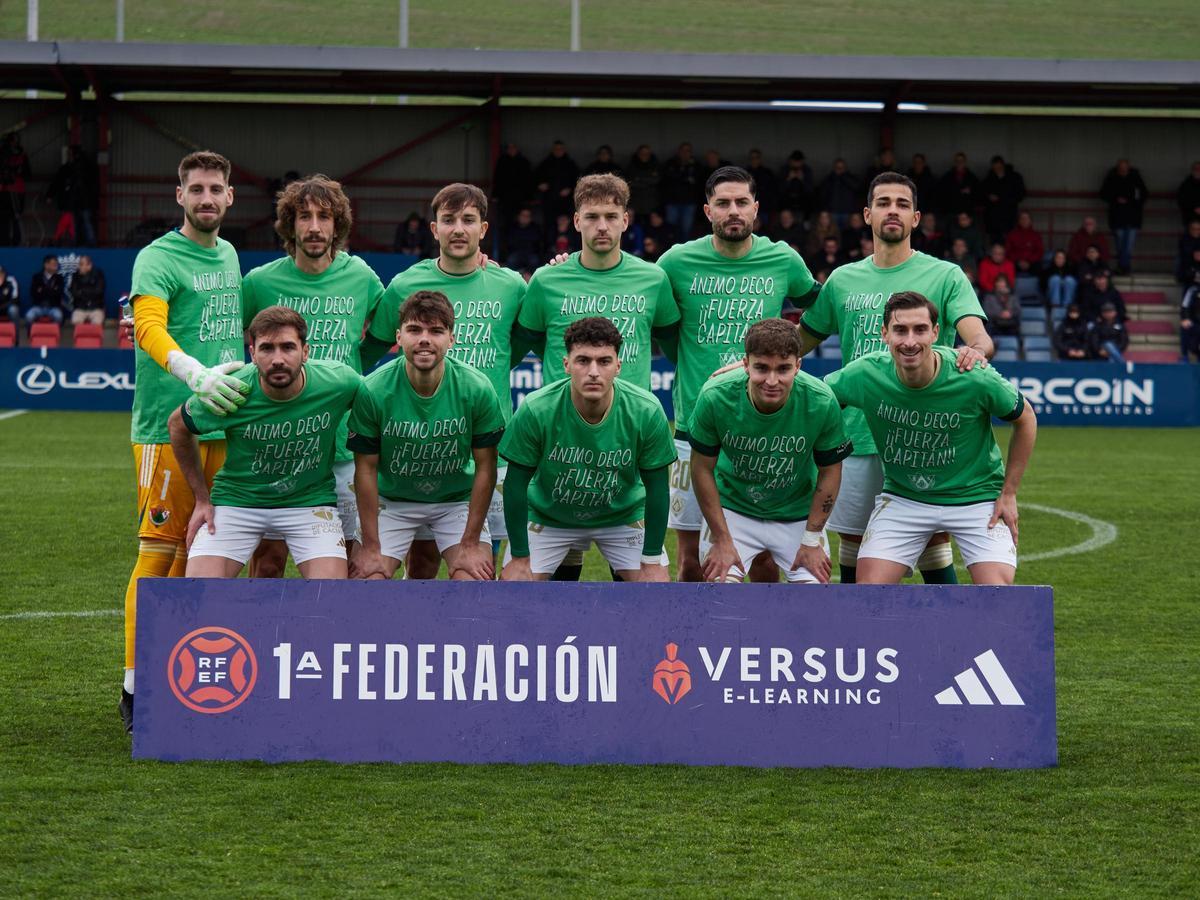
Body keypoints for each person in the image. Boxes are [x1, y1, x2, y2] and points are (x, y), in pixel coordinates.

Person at [798, 172, 992, 586]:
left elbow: (978, 337)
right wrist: (753, 361)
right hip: (858, 432)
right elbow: (800, 342)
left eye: (902, 204)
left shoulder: (945, 275)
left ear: (916, 218)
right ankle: (858, 638)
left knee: (932, 540)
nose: (893, 210)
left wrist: (973, 351)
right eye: (883, 203)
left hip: (925, 432)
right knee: (853, 539)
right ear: (867, 215)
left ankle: (945, 636)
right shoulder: (843, 280)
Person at [119, 150, 248, 734]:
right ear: (180, 197)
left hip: (225, 427)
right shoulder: (158, 257)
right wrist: (193, 374)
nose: (206, 197)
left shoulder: (228, 254)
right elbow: (147, 326)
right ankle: (133, 687)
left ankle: (171, 672)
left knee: (200, 556)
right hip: (167, 427)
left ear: (229, 197)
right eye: (195, 188)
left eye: (215, 188)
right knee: (159, 553)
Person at [657, 165, 819, 583]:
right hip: (694, 424)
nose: (733, 211)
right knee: (693, 563)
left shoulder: (782, 258)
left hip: (762, 430)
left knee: (764, 560)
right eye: (723, 203)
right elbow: (644, 303)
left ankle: (764, 645)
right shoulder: (676, 261)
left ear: (756, 208)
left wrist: (789, 353)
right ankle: (694, 642)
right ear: (707, 210)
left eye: (742, 202)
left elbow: (822, 307)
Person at [363, 181, 528, 578]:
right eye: (448, 220)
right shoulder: (405, 284)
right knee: (420, 560)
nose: (458, 229)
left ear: (483, 230)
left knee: (485, 556)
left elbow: (521, 344)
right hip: (417, 443)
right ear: (433, 228)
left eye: (468, 220)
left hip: (489, 441)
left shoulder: (511, 285)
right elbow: (372, 350)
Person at [825, 291, 1036, 586]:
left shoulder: (972, 375)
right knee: (868, 593)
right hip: (904, 497)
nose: (910, 341)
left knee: (997, 596)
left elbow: (1025, 417)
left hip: (976, 499)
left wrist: (1009, 492)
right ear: (884, 334)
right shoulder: (866, 373)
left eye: (920, 329)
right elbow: (816, 401)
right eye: (900, 330)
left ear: (936, 333)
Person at [239, 174, 385, 578]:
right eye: (304, 216)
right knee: (268, 560)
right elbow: (232, 342)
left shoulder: (362, 278)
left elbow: (382, 336)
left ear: (338, 224)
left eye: (325, 216)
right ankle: (264, 638)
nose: (315, 226)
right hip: (277, 446)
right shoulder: (259, 283)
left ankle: (336, 640)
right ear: (290, 224)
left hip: (342, 447)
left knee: (350, 558)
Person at [168, 306, 362, 579]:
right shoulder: (231, 389)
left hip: (310, 503)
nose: (278, 359)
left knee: (330, 596)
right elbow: (177, 425)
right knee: (201, 590)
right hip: (237, 502)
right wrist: (201, 499)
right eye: (267, 348)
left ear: (305, 352)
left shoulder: (338, 382)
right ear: (252, 353)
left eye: (288, 347)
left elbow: (378, 405)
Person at [499, 316, 675, 582]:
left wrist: (650, 559)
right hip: (550, 516)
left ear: (618, 366)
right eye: (583, 360)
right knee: (515, 584)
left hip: (622, 515)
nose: (593, 371)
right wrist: (520, 557)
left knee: (654, 586)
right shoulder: (537, 409)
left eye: (604, 361)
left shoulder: (646, 410)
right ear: (567, 364)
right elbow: (514, 485)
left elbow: (658, 489)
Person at [348, 290, 505, 582]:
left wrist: (470, 543)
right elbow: (366, 470)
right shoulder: (373, 390)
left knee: (472, 579)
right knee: (367, 579)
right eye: (414, 329)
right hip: (391, 500)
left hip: (455, 500)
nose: (424, 339)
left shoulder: (476, 388)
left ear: (451, 338)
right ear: (398, 337)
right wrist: (370, 546)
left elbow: (486, 466)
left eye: (436, 331)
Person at [690, 318, 851, 583]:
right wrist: (721, 539)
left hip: (797, 512)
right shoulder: (715, 396)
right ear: (745, 364)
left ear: (798, 366)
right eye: (761, 368)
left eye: (784, 369)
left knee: (815, 600)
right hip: (734, 508)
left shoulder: (821, 401)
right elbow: (701, 469)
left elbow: (830, 471)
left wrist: (811, 539)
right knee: (718, 592)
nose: (772, 380)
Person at [518, 173, 678, 391]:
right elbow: (529, 343)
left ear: (625, 221)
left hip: (632, 419)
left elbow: (675, 345)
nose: (602, 226)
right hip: (563, 419)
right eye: (592, 217)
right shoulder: (546, 280)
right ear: (576, 221)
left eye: (611, 216)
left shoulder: (654, 279)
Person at [1100, 158, 1147, 274]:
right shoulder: (1111, 178)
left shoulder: (1136, 178)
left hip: (1133, 217)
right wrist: (1116, 199)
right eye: (1121, 168)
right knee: (1120, 245)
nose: (1123, 170)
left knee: (1128, 246)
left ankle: (1123, 267)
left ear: (1128, 167)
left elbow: (1144, 194)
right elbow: (1103, 193)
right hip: (1117, 217)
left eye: (1125, 167)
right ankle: (1124, 267)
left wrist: (1132, 201)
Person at [979, 155, 1026, 244]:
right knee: (995, 243)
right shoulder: (989, 179)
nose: (997, 169)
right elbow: (981, 195)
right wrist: (989, 197)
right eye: (995, 167)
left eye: (999, 167)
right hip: (993, 218)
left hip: (1009, 216)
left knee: (1011, 240)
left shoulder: (1014, 178)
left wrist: (1004, 199)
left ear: (1003, 166)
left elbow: (1021, 194)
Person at [534, 139, 580, 224]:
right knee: (549, 224)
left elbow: (578, 180)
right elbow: (535, 178)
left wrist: (570, 189)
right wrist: (540, 185)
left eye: (560, 149)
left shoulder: (570, 164)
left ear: (564, 150)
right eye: (556, 149)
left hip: (565, 202)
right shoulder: (545, 163)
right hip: (549, 200)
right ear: (552, 150)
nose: (558, 151)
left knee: (564, 225)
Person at [662, 142, 700, 242]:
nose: (685, 153)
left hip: (689, 202)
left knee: (686, 230)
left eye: (687, 151)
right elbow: (668, 180)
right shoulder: (670, 163)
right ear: (678, 152)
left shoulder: (695, 165)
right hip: (672, 202)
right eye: (683, 150)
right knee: (671, 229)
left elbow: (697, 181)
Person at [818, 158, 861, 228]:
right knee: (834, 230)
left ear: (845, 168)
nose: (839, 169)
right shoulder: (829, 178)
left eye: (841, 167)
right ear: (834, 168)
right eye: (837, 167)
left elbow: (857, 187)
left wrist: (843, 176)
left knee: (847, 231)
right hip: (833, 211)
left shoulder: (851, 177)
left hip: (847, 211)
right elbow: (823, 193)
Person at [26, 255, 66, 327]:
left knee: (58, 316)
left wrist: (42, 290)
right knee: (29, 316)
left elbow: (59, 294)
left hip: (53, 307)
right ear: (46, 265)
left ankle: (54, 335)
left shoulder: (59, 278)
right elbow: (33, 294)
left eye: (57, 264)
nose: (56, 266)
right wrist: (52, 290)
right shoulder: (37, 277)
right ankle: (31, 336)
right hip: (39, 307)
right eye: (54, 264)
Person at [936, 151, 979, 218]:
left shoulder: (972, 177)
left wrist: (969, 191)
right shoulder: (947, 177)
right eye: (957, 161)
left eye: (961, 160)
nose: (959, 163)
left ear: (965, 162)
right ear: (955, 162)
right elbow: (942, 193)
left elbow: (976, 194)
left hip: (967, 213)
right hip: (951, 212)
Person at [624, 144, 661, 219]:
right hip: (635, 204)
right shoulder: (631, 166)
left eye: (647, 154)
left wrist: (639, 179)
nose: (644, 155)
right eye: (642, 153)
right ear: (638, 154)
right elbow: (630, 183)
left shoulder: (655, 165)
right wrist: (647, 181)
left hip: (652, 204)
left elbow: (657, 180)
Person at [68, 255, 106, 326]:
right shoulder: (75, 276)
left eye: (82, 264)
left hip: (95, 308)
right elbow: (73, 292)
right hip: (80, 308)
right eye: (79, 264)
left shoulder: (98, 274)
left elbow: (99, 292)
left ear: (89, 265)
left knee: (97, 322)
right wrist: (90, 291)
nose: (79, 267)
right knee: (76, 321)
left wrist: (82, 291)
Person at [504, 207, 543, 276]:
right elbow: (509, 243)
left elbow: (538, 244)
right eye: (523, 215)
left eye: (527, 216)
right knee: (511, 260)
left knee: (535, 261)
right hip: (516, 253)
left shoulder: (535, 228)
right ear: (518, 217)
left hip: (531, 253)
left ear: (531, 218)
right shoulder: (513, 228)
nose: (525, 218)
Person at [1005, 210, 1044, 275]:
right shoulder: (1012, 234)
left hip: (1031, 263)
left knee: (1039, 268)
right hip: (1016, 262)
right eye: (1022, 218)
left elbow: (1040, 251)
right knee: (1007, 266)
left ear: (1030, 221)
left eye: (1026, 218)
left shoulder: (1036, 235)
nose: (1024, 220)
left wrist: (1029, 261)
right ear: (1019, 221)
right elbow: (1008, 251)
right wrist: (1018, 261)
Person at [1176, 161, 1200, 227]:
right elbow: (1181, 200)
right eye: (1196, 169)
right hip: (1190, 217)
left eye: (1199, 169)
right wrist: (1194, 208)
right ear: (1192, 170)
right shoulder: (1186, 185)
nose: (1198, 171)